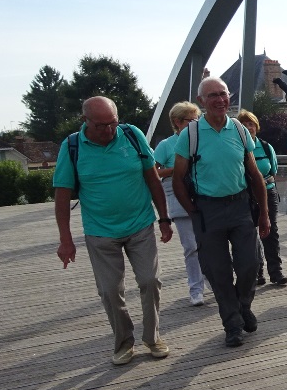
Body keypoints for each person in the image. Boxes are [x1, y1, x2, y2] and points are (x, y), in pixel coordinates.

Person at [53, 95, 173, 365]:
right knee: (109, 290)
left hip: (140, 223)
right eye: (101, 126)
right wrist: (66, 240)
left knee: (150, 281)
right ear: (86, 121)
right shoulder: (72, 146)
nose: (109, 131)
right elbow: (62, 196)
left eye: (113, 124)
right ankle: (123, 342)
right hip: (100, 231)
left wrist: (164, 218)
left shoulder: (131, 135)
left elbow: (153, 179)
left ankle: (152, 337)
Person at [172, 77, 270, 348]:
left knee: (250, 264)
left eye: (223, 94)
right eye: (212, 95)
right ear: (201, 101)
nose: (219, 100)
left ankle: (243, 305)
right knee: (218, 271)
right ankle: (233, 324)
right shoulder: (190, 135)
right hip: (207, 209)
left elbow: (255, 174)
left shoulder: (239, 130)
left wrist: (264, 214)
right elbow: (178, 179)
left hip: (240, 206)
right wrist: (193, 211)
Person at [153, 101, 206, 306]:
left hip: (203, 194)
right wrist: (177, 169)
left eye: (197, 119)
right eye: (191, 120)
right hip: (177, 195)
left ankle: (212, 280)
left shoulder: (201, 140)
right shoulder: (166, 145)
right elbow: (154, 172)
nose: (195, 123)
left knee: (209, 243)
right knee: (191, 246)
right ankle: (196, 288)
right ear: (177, 122)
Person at [236, 109, 287, 287]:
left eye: (251, 124)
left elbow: (273, 170)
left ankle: (276, 272)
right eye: (244, 124)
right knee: (249, 234)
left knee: (270, 232)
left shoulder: (266, 147)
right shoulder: (236, 148)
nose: (248, 127)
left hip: (267, 193)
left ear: (256, 127)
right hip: (245, 196)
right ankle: (257, 272)